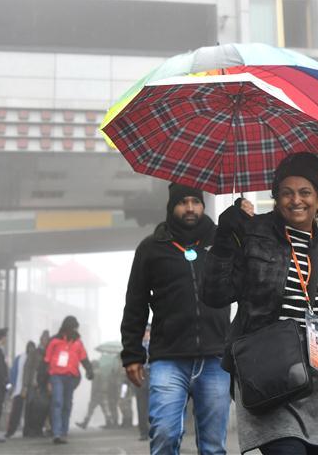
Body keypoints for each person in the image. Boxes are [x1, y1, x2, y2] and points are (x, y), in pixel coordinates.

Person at [202, 152, 318, 455]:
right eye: (286, 193)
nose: (296, 200)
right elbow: (215, 294)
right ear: (276, 198)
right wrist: (225, 238)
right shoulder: (253, 235)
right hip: (270, 375)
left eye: (305, 192)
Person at [121, 183, 232, 454]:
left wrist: (241, 225)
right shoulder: (151, 248)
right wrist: (132, 353)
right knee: (165, 435)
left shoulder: (223, 243)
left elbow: (252, 278)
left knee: (214, 446)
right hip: (168, 359)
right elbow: (135, 303)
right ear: (172, 207)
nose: (190, 208)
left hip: (216, 358)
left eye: (196, 201)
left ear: (204, 205)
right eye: (184, 202)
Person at [45, 315, 93, 445]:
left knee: (66, 405)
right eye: (74, 327)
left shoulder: (78, 343)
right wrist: (44, 380)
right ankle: (57, 433)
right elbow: (46, 360)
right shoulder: (54, 341)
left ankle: (63, 432)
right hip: (56, 376)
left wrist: (89, 370)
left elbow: (84, 358)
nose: (76, 330)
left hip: (70, 377)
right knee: (57, 402)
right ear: (68, 327)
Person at [24, 330, 51, 438]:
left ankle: (38, 429)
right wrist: (26, 385)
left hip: (43, 384)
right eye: (45, 339)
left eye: (47, 339)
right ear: (41, 339)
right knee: (31, 407)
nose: (46, 341)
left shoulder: (48, 353)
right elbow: (28, 368)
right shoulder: (34, 352)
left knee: (42, 408)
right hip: (34, 383)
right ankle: (29, 430)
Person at [6, 340, 36, 438]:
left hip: (26, 389)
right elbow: (13, 373)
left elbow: (13, 373)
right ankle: (12, 430)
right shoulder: (20, 358)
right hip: (21, 388)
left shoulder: (20, 358)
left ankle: (23, 431)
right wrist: (11, 386)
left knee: (26, 411)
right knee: (17, 411)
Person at [76, 359, 110, 430]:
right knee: (105, 409)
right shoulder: (101, 372)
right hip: (103, 393)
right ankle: (109, 423)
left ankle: (85, 423)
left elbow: (94, 386)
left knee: (90, 409)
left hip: (96, 394)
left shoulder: (95, 373)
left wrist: (92, 395)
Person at [134, 325, 151, 441]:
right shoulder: (137, 345)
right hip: (140, 374)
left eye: (148, 331)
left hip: (152, 373)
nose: (146, 333)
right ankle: (143, 432)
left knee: (154, 404)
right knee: (141, 405)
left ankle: (153, 430)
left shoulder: (155, 344)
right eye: (145, 331)